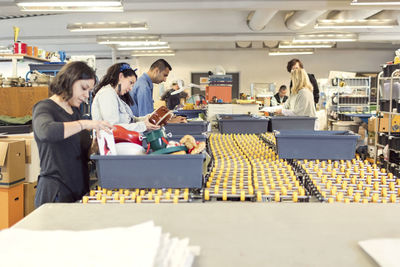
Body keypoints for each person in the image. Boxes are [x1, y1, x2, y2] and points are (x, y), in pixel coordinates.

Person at [32, 61, 113, 208]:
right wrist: (85, 123)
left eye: (89, 91)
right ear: (69, 81)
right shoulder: (44, 108)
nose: (86, 95)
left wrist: (93, 148)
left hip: (78, 189)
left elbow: (81, 154)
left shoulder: (75, 112)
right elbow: (47, 132)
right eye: (83, 88)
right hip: (56, 193)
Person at [91, 62, 159, 132]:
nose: (131, 88)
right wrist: (143, 126)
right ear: (121, 76)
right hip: (111, 141)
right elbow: (113, 127)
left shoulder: (117, 97)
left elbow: (130, 120)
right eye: (130, 83)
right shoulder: (107, 94)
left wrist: (147, 118)